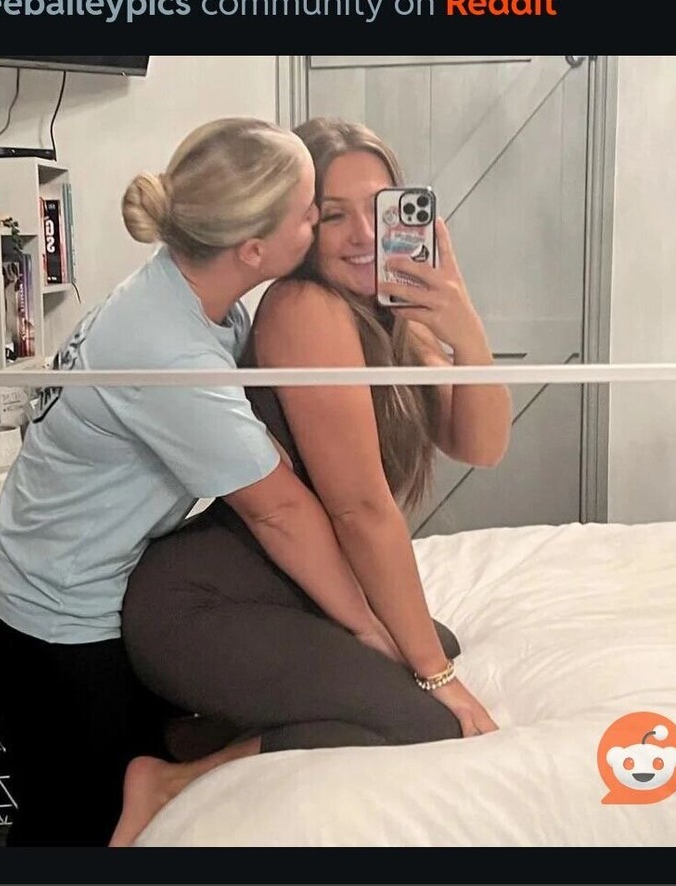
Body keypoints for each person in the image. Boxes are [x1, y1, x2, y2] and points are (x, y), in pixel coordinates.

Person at [0, 117, 415, 847]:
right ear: (254, 250)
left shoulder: (199, 299)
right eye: (311, 212)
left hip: (79, 595)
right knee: (74, 829)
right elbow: (278, 511)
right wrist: (367, 627)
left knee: (112, 805)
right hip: (51, 625)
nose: (320, 222)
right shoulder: (170, 350)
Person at [113, 117, 514, 846]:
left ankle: (202, 733)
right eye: (333, 215)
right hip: (202, 605)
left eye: (379, 208)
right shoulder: (305, 310)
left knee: (439, 642)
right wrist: (433, 678)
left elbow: (480, 446)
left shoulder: (392, 314)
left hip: (288, 591)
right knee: (425, 716)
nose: (362, 234)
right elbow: (359, 509)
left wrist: (463, 322)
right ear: (298, 224)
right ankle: (168, 780)